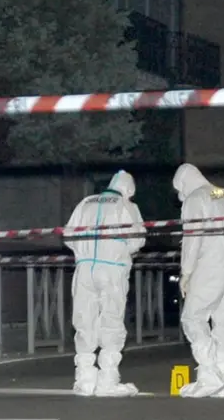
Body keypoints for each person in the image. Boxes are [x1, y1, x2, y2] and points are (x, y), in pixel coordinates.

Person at [64, 170, 146, 397]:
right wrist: (121, 250)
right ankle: (108, 380)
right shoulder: (127, 206)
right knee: (112, 319)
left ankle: (84, 379)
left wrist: (84, 250)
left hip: (84, 268)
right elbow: (138, 239)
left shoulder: (86, 202)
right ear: (128, 190)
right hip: (113, 268)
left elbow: (68, 235)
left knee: (84, 320)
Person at [172, 163, 224, 398]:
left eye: (179, 190)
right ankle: (223, 377)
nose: (180, 196)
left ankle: (210, 377)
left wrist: (186, 272)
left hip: (212, 263)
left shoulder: (195, 198)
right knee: (223, 320)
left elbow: (192, 238)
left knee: (193, 318)